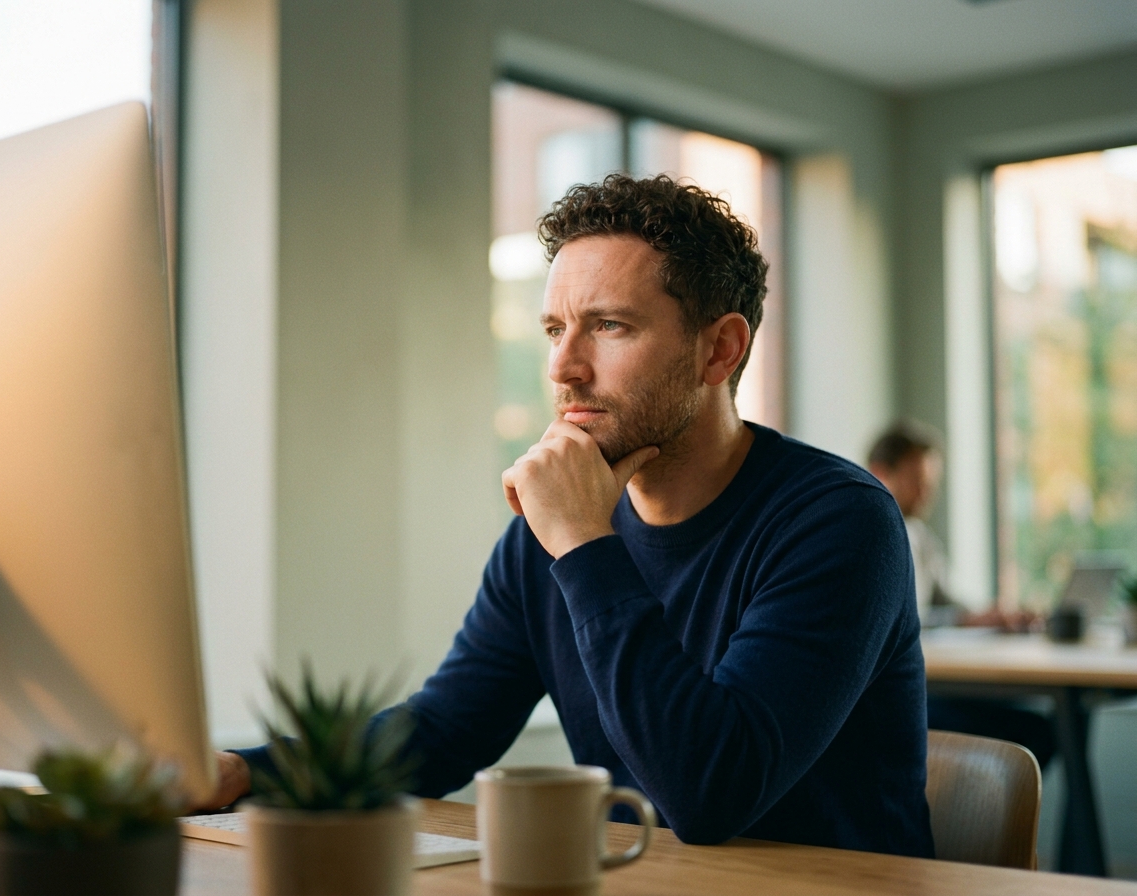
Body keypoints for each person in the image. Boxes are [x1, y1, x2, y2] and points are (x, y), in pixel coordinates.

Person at [205, 175, 934, 857]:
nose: (563, 367)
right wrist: (242, 774)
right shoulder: (545, 540)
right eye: (555, 329)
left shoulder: (840, 522)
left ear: (721, 349)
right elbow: (443, 732)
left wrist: (584, 542)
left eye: (609, 326)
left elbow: (709, 795)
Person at [868, 421, 1055, 767]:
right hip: (896, 698)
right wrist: (963, 620)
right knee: (1037, 733)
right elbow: (901, 622)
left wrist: (992, 617)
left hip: (932, 684)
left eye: (930, 484)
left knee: (1042, 728)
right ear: (881, 473)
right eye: (916, 482)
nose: (926, 494)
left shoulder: (918, 535)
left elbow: (946, 602)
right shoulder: (867, 534)